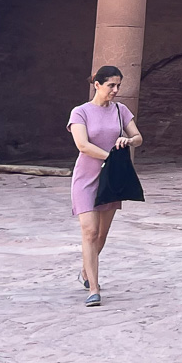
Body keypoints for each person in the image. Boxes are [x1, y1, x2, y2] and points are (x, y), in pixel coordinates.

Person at [68, 66, 143, 306]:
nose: (116, 90)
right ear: (97, 84)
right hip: (86, 177)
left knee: (101, 235)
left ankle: (85, 270)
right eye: (111, 85)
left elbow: (138, 138)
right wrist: (110, 156)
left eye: (118, 85)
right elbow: (83, 145)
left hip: (111, 178)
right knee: (89, 230)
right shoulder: (80, 112)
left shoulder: (121, 110)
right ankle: (94, 287)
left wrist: (127, 140)